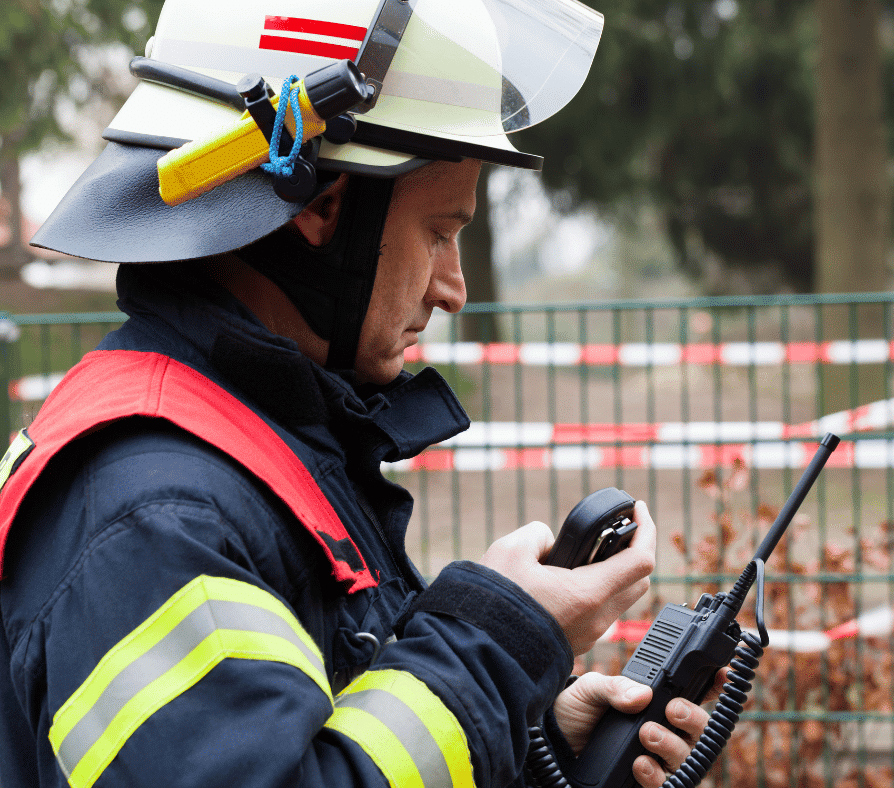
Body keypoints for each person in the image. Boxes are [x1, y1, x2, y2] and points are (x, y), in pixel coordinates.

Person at [0, 1, 726, 787]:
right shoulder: (159, 514)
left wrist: (540, 747)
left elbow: (336, 738)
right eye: (441, 233)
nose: (453, 289)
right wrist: (501, 640)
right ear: (321, 208)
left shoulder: (252, 452)